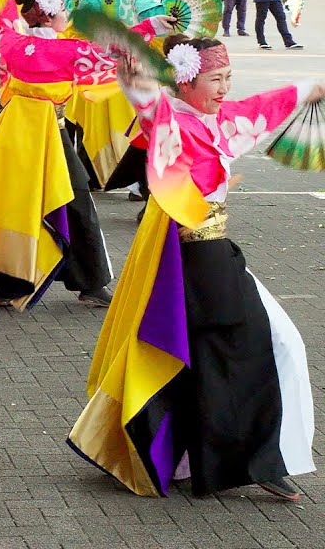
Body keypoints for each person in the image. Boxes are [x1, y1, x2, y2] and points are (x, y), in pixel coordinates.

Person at [70, 33, 325, 501]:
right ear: (185, 82)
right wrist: (134, 76)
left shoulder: (222, 119)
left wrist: (311, 86)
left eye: (228, 76)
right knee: (251, 349)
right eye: (215, 78)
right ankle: (250, 459)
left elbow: (269, 102)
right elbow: (148, 102)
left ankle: (191, 453)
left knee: (211, 357)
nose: (225, 87)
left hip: (214, 254)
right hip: (195, 257)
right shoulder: (171, 121)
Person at [0, 0, 131, 311]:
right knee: (77, 198)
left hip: (12, 134)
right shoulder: (66, 51)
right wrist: (155, 32)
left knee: (12, 205)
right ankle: (90, 282)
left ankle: (7, 283)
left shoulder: (13, 42)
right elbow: (115, 54)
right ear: (50, 15)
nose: (67, 15)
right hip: (50, 132)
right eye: (63, 10)